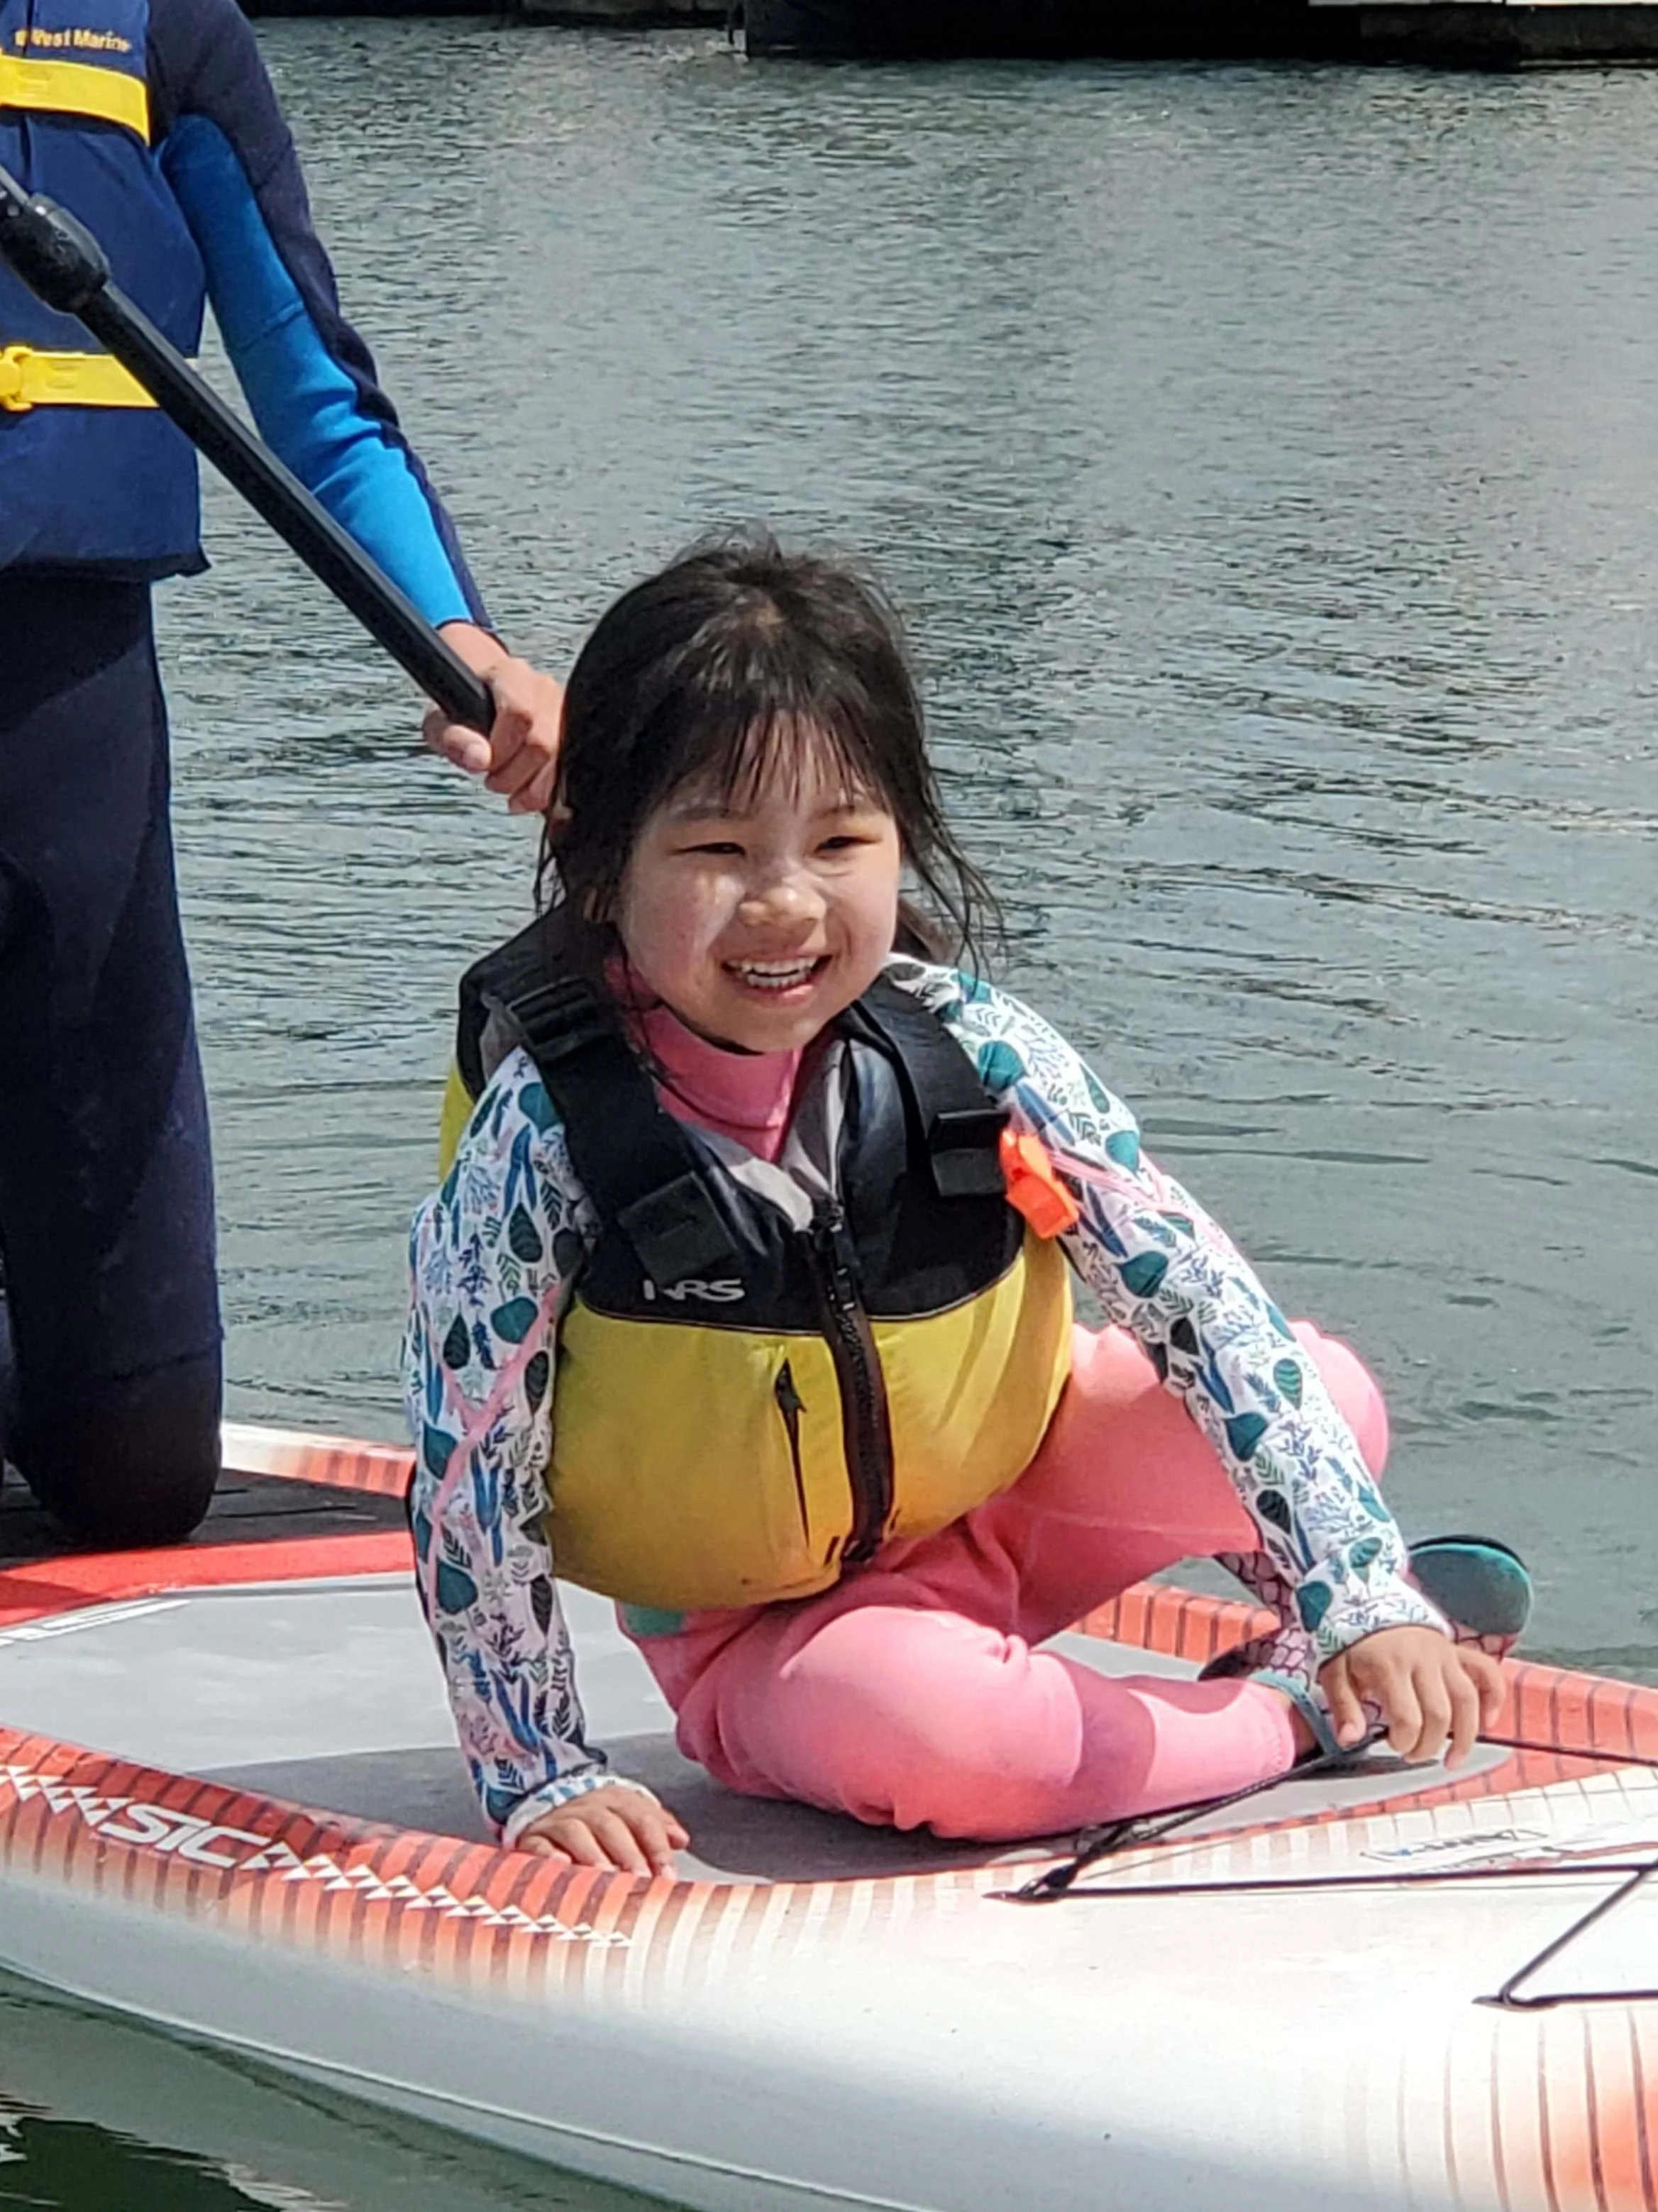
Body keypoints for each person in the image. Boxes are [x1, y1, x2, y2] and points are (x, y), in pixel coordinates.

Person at [404, 536, 1530, 1878]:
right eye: (715, 846)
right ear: (598, 865)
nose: (783, 903)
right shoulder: (546, 1137)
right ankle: (1291, 1711)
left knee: (1328, 1392)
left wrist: (1357, 1583)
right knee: (948, 1741)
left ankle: (1321, 1613)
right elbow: (473, 1473)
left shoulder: (977, 1049)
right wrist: (538, 1766)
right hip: (772, 1639)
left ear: (902, 841)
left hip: (1001, 1510)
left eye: (840, 842)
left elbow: (1194, 1296)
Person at [0, 0, 563, 1549]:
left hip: (66, 735)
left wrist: (467, 645)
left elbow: (314, 391)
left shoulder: (169, 35)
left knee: (134, 1477)